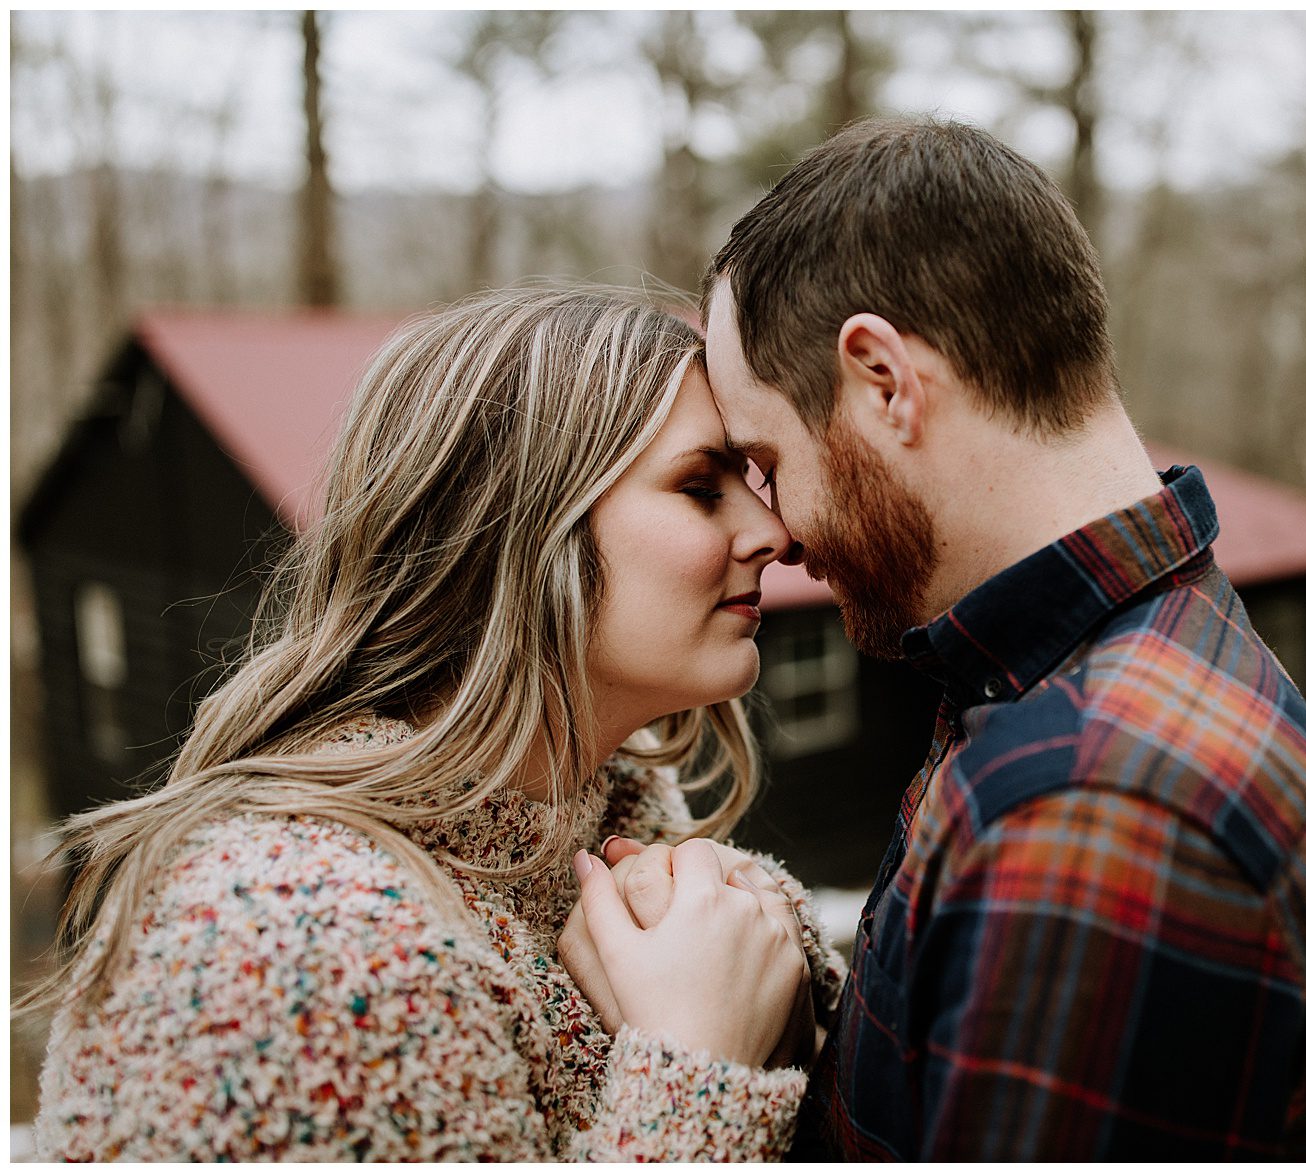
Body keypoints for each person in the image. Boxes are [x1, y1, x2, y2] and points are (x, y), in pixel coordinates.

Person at [599, 116, 1306, 1159]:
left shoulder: (1092, 811)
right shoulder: (1084, 684)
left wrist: (689, 1073)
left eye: (768, 461)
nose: (777, 535)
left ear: (883, 381)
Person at [25, 286, 845, 1161]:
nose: (774, 530)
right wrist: (699, 1069)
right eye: (699, 486)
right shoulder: (305, 945)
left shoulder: (612, 819)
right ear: (512, 536)